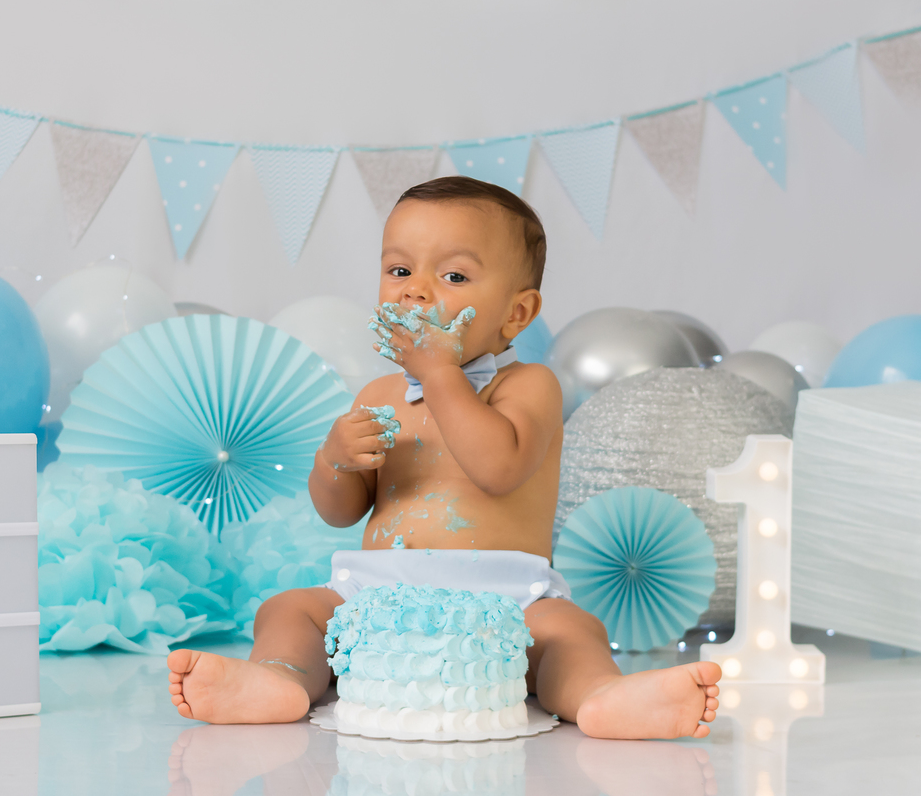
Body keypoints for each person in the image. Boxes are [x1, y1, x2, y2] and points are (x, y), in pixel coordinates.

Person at [168, 176, 721, 739]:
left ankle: (600, 696)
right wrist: (334, 462)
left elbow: (498, 468)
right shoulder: (379, 396)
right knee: (288, 611)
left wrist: (439, 373)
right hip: (377, 593)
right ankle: (278, 678)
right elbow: (341, 512)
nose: (416, 292)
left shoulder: (527, 386)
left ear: (516, 313)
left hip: (507, 598)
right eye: (400, 270)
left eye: (453, 276)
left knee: (571, 632)